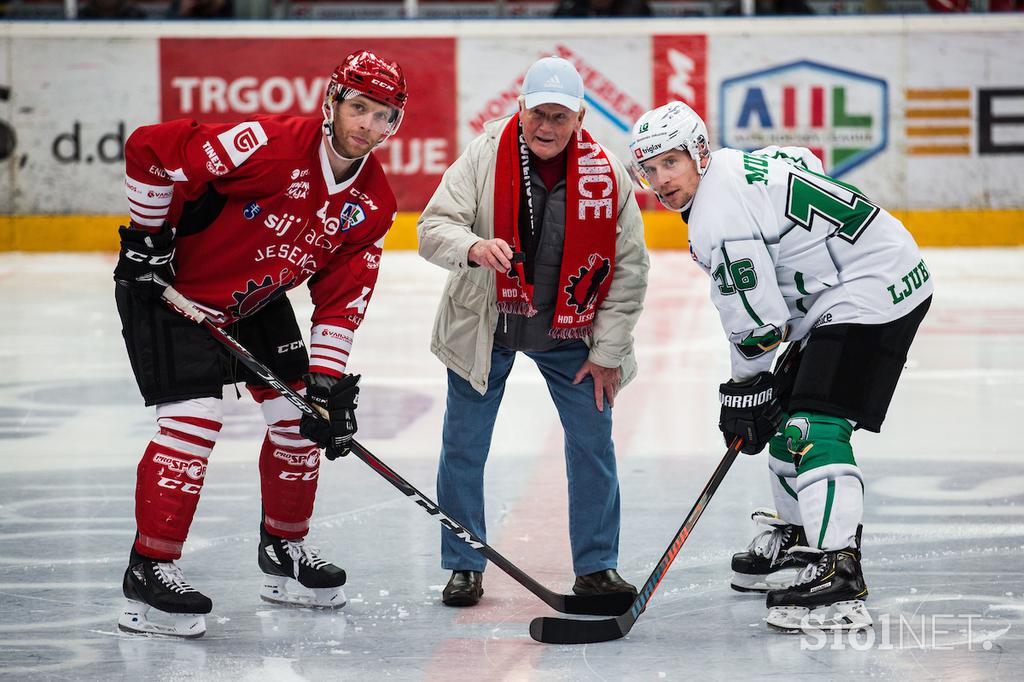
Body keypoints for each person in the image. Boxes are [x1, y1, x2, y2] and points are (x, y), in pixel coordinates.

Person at [113, 50, 407, 638]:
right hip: (173, 290)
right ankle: (148, 572)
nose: (367, 128)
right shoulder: (263, 145)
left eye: (384, 117)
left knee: (301, 420)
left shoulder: (373, 203)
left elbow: (344, 293)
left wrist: (325, 379)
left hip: (255, 303)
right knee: (192, 425)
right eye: (358, 109)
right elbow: (150, 149)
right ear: (331, 102)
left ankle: (284, 556)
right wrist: (149, 238)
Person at [629, 102, 931, 632]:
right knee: (784, 413)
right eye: (649, 170)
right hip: (856, 283)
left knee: (810, 424)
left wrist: (742, 392)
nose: (660, 180)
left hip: (873, 289)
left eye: (670, 163)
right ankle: (800, 539)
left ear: (699, 153)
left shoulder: (716, 218)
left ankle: (840, 572)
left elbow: (760, 326)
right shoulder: (733, 169)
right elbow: (801, 159)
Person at [418, 56, 649, 607]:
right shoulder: (482, 155)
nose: (547, 127)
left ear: (581, 117)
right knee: (464, 447)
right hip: (486, 325)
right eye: (538, 113)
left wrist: (610, 352)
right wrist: (471, 246)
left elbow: (631, 270)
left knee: (593, 446)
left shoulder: (608, 175)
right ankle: (464, 563)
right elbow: (431, 228)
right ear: (519, 108)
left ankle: (596, 567)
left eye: (560, 117)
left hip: (573, 337)